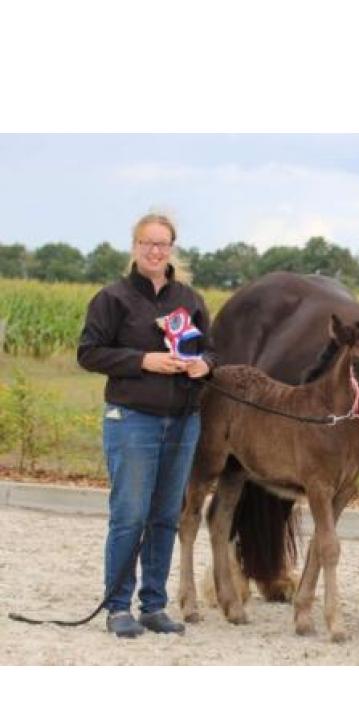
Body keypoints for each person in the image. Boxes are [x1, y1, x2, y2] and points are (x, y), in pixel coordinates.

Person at [77, 213, 216, 638]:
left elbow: (212, 351)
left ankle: (153, 605)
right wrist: (143, 360)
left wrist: (202, 366)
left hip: (182, 423)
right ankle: (118, 607)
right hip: (133, 421)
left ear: (172, 248)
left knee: (164, 517)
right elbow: (89, 353)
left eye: (163, 244)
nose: (155, 251)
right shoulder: (113, 299)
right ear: (134, 247)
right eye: (147, 243)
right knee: (130, 515)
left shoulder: (188, 299)